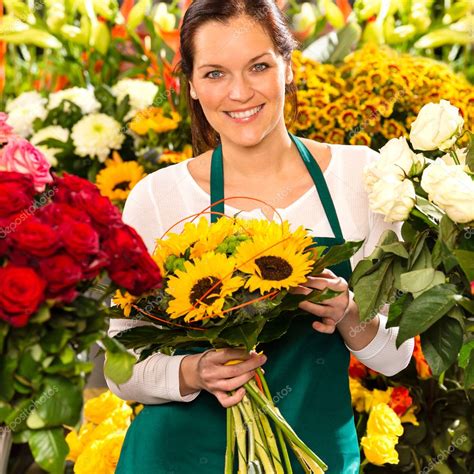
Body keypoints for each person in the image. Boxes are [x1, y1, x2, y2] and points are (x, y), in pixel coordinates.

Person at [106, 1, 414, 472]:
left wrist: (350, 312)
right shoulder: (157, 197)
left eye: (258, 66)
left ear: (288, 67)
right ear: (189, 83)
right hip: (176, 457)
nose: (239, 92)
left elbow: (396, 357)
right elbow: (119, 365)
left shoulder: (363, 176)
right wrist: (193, 371)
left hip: (315, 455)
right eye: (214, 74)